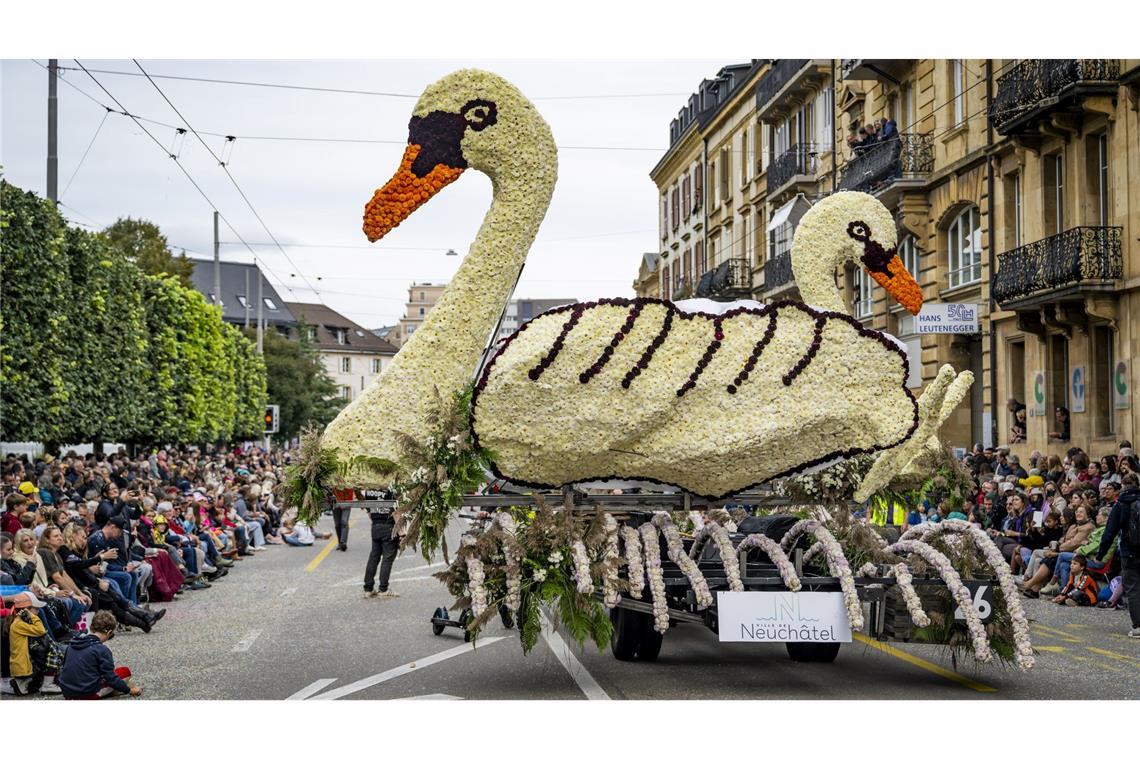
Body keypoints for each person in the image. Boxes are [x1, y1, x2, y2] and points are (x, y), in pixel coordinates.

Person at [1094, 473, 1140, 638]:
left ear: (1123, 487)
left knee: (1133, 588)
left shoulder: (1120, 505)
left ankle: (1137, 626)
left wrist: (1100, 555)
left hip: (1129, 553)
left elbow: (1109, 533)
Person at [58, 610, 142, 699]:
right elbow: (111, 678)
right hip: (87, 694)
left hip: (66, 691)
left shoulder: (72, 644)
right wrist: (129, 690)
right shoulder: (102, 650)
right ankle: (114, 690)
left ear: (91, 627)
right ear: (109, 632)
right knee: (125, 671)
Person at [363, 507, 401, 599]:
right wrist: (402, 532)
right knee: (387, 559)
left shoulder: (370, 492)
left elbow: (368, 509)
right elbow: (396, 510)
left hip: (375, 526)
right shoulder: (391, 492)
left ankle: (368, 589)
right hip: (389, 526)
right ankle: (383, 589)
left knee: (374, 557)